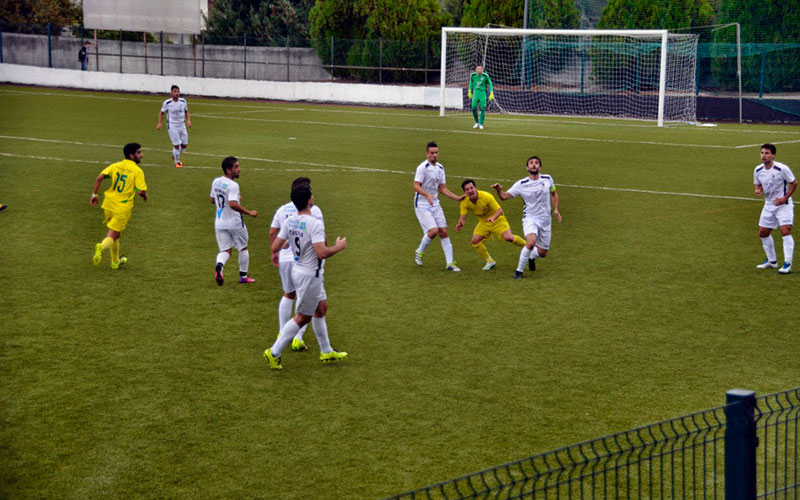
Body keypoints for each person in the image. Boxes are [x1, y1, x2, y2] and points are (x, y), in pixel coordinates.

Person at [264, 184, 348, 370]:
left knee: (321, 308)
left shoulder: (290, 221)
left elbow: (275, 247)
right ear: (309, 200)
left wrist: (293, 242)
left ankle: (326, 351)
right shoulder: (315, 223)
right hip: (311, 275)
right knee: (302, 317)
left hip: (299, 270)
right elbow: (322, 253)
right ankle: (274, 352)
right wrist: (339, 246)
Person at [269, 176, 324, 352]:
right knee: (306, 303)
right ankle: (295, 338)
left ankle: (281, 332)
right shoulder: (314, 212)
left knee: (288, 294)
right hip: (306, 263)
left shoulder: (283, 210)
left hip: (286, 258)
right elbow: (321, 243)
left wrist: (275, 252)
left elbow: (273, 233)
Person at [492, 155, 562, 279]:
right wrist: (498, 191)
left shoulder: (548, 179)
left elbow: (554, 193)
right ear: (527, 168)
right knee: (530, 243)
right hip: (530, 218)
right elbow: (505, 197)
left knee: (543, 253)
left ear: (540, 167)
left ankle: (531, 256)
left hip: (546, 220)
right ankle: (519, 271)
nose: (534, 164)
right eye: (531, 163)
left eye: (536, 163)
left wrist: (556, 209)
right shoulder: (521, 184)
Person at [90, 143, 148, 270]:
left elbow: (99, 178)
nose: (141, 155)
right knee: (112, 235)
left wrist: (94, 194)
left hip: (108, 204)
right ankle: (101, 246)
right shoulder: (137, 171)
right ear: (132, 156)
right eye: (139, 153)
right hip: (122, 208)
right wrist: (144, 196)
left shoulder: (116, 165)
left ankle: (115, 262)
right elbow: (140, 191)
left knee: (116, 235)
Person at [413, 141, 464, 272]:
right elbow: (416, 186)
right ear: (427, 154)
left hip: (435, 203)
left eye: (436, 152)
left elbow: (443, 189)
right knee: (433, 231)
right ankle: (420, 251)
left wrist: (457, 198)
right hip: (422, 204)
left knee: (443, 231)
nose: (434, 155)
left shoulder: (440, 168)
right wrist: (427, 195)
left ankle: (450, 263)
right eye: (432, 153)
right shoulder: (422, 167)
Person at [455, 179, 526, 270]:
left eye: (472, 188)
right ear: (464, 192)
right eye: (467, 189)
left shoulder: (486, 196)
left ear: (476, 188)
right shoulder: (464, 201)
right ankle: (490, 261)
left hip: (498, 219)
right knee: (475, 241)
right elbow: (463, 216)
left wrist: (493, 218)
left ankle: (528, 246)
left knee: (509, 238)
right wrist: (461, 223)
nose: (470, 190)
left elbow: (499, 210)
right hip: (484, 222)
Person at [210, 156, 258, 285]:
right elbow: (232, 204)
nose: (239, 169)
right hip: (234, 222)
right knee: (243, 247)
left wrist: (235, 198)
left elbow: (213, 200)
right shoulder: (233, 185)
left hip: (219, 222)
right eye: (236, 167)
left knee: (226, 250)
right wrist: (249, 212)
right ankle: (243, 276)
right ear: (228, 170)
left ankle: (219, 266)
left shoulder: (216, 181)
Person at [753, 143, 796, 274]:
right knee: (763, 233)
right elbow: (758, 184)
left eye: (767, 153)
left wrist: (785, 198)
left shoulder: (782, 168)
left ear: (773, 155)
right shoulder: (758, 170)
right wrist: (758, 190)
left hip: (784, 204)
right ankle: (772, 261)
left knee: (785, 230)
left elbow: (794, 183)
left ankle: (787, 264)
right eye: (762, 153)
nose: (764, 156)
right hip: (769, 205)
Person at [156, 85, 191, 168]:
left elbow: (186, 111)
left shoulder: (183, 101)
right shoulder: (167, 103)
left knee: (184, 145)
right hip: (172, 126)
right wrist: (159, 123)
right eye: (175, 91)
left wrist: (188, 120)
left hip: (182, 125)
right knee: (176, 145)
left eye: (178, 91)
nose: (176, 93)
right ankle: (177, 161)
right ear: (171, 93)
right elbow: (161, 113)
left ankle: (175, 154)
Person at [468, 65, 494, 130]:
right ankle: (476, 122)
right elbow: (471, 83)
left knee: (482, 109)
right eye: (478, 69)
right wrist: (469, 91)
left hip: (482, 93)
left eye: (480, 69)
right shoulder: (473, 75)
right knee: (473, 108)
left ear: (482, 70)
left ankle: (481, 124)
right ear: (476, 70)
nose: (479, 70)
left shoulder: (485, 76)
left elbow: (490, 83)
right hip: (475, 93)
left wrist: (491, 93)